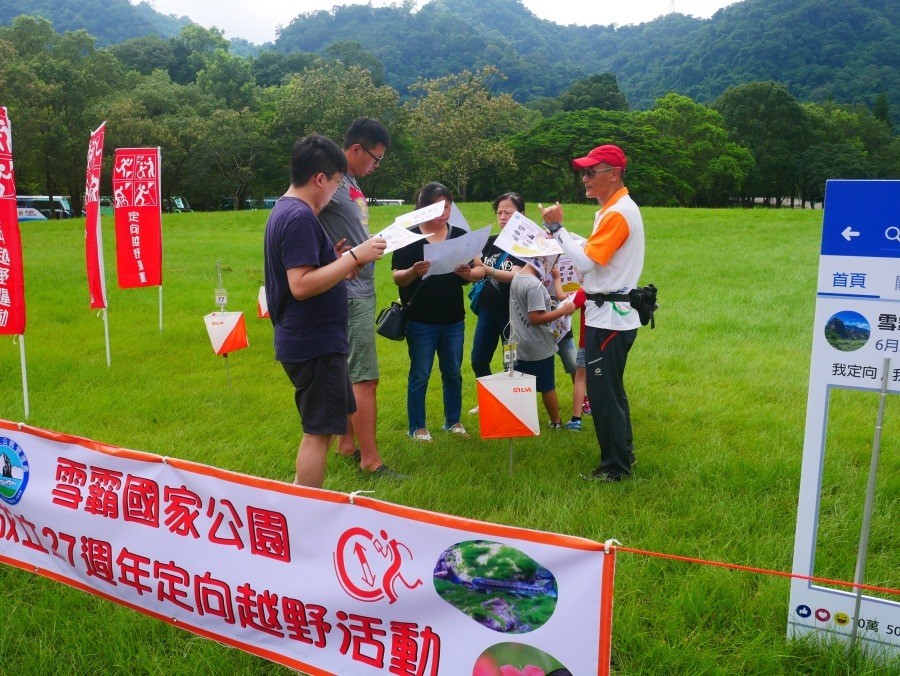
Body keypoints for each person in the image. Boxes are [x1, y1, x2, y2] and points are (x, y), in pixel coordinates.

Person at [264, 133, 387, 488]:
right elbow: (300, 285)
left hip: (312, 339)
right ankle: (306, 512)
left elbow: (308, 273)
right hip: (313, 342)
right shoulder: (300, 216)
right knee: (317, 434)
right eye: (336, 183)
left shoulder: (287, 211)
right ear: (320, 179)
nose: (337, 190)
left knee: (324, 427)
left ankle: (307, 506)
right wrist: (354, 256)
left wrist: (333, 262)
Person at [540, 144, 645, 482]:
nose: (584, 179)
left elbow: (585, 261)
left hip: (610, 316)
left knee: (603, 394)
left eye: (590, 172)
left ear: (613, 174)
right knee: (611, 390)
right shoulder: (613, 210)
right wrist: (565, 235)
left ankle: (615, 468)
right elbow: (594, 251)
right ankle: (622, 454)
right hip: (611, 314)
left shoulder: (617, 213)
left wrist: (558, 231)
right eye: (582, 172)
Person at [318, 117, 402, 478]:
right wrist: (329, 256)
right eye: (375, 158)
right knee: (364, 377)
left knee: (346, 371)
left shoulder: (346, 180)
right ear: (355, 149)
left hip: (357, 288)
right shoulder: (330, 181)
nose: (376, 166)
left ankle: (347, 443)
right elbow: (300, 218)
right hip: (349, 291)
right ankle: (371, 460)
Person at [391, 182, 475, 442]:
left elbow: (474, 272)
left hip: (453, 318)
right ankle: (417, 426)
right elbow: (397, 277)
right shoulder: (409, 236)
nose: (443, 214)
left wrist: (468, 273)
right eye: (437, 208)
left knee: (453, 372)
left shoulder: (459, 233)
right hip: (420, 319)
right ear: (423, 208)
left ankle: (453, 421)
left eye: (448, 208)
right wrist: (414, 272)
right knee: (420, 373)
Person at [468, 192, 527, 413]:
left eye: (508, 212)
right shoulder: (490, 242)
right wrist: (468, 271)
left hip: (513, 315)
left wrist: (487, 270)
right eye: (499, 212)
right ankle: (490, 400)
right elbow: (477, 272)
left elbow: (518, 275)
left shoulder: (525, 246)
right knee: (478, 359)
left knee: (510, 363)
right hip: (488, 312)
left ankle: (512, 408)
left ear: (520, 215)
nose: (502, 217)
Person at [509, 258, 578, 428]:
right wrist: (563, 310)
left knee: (517, 382)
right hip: (537, 344)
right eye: (552, 262)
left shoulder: (517, 277)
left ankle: (521, 419)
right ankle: (555, 421)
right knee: (547, 385)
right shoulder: (534, 286)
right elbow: (535, 318)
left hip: (516, 340)